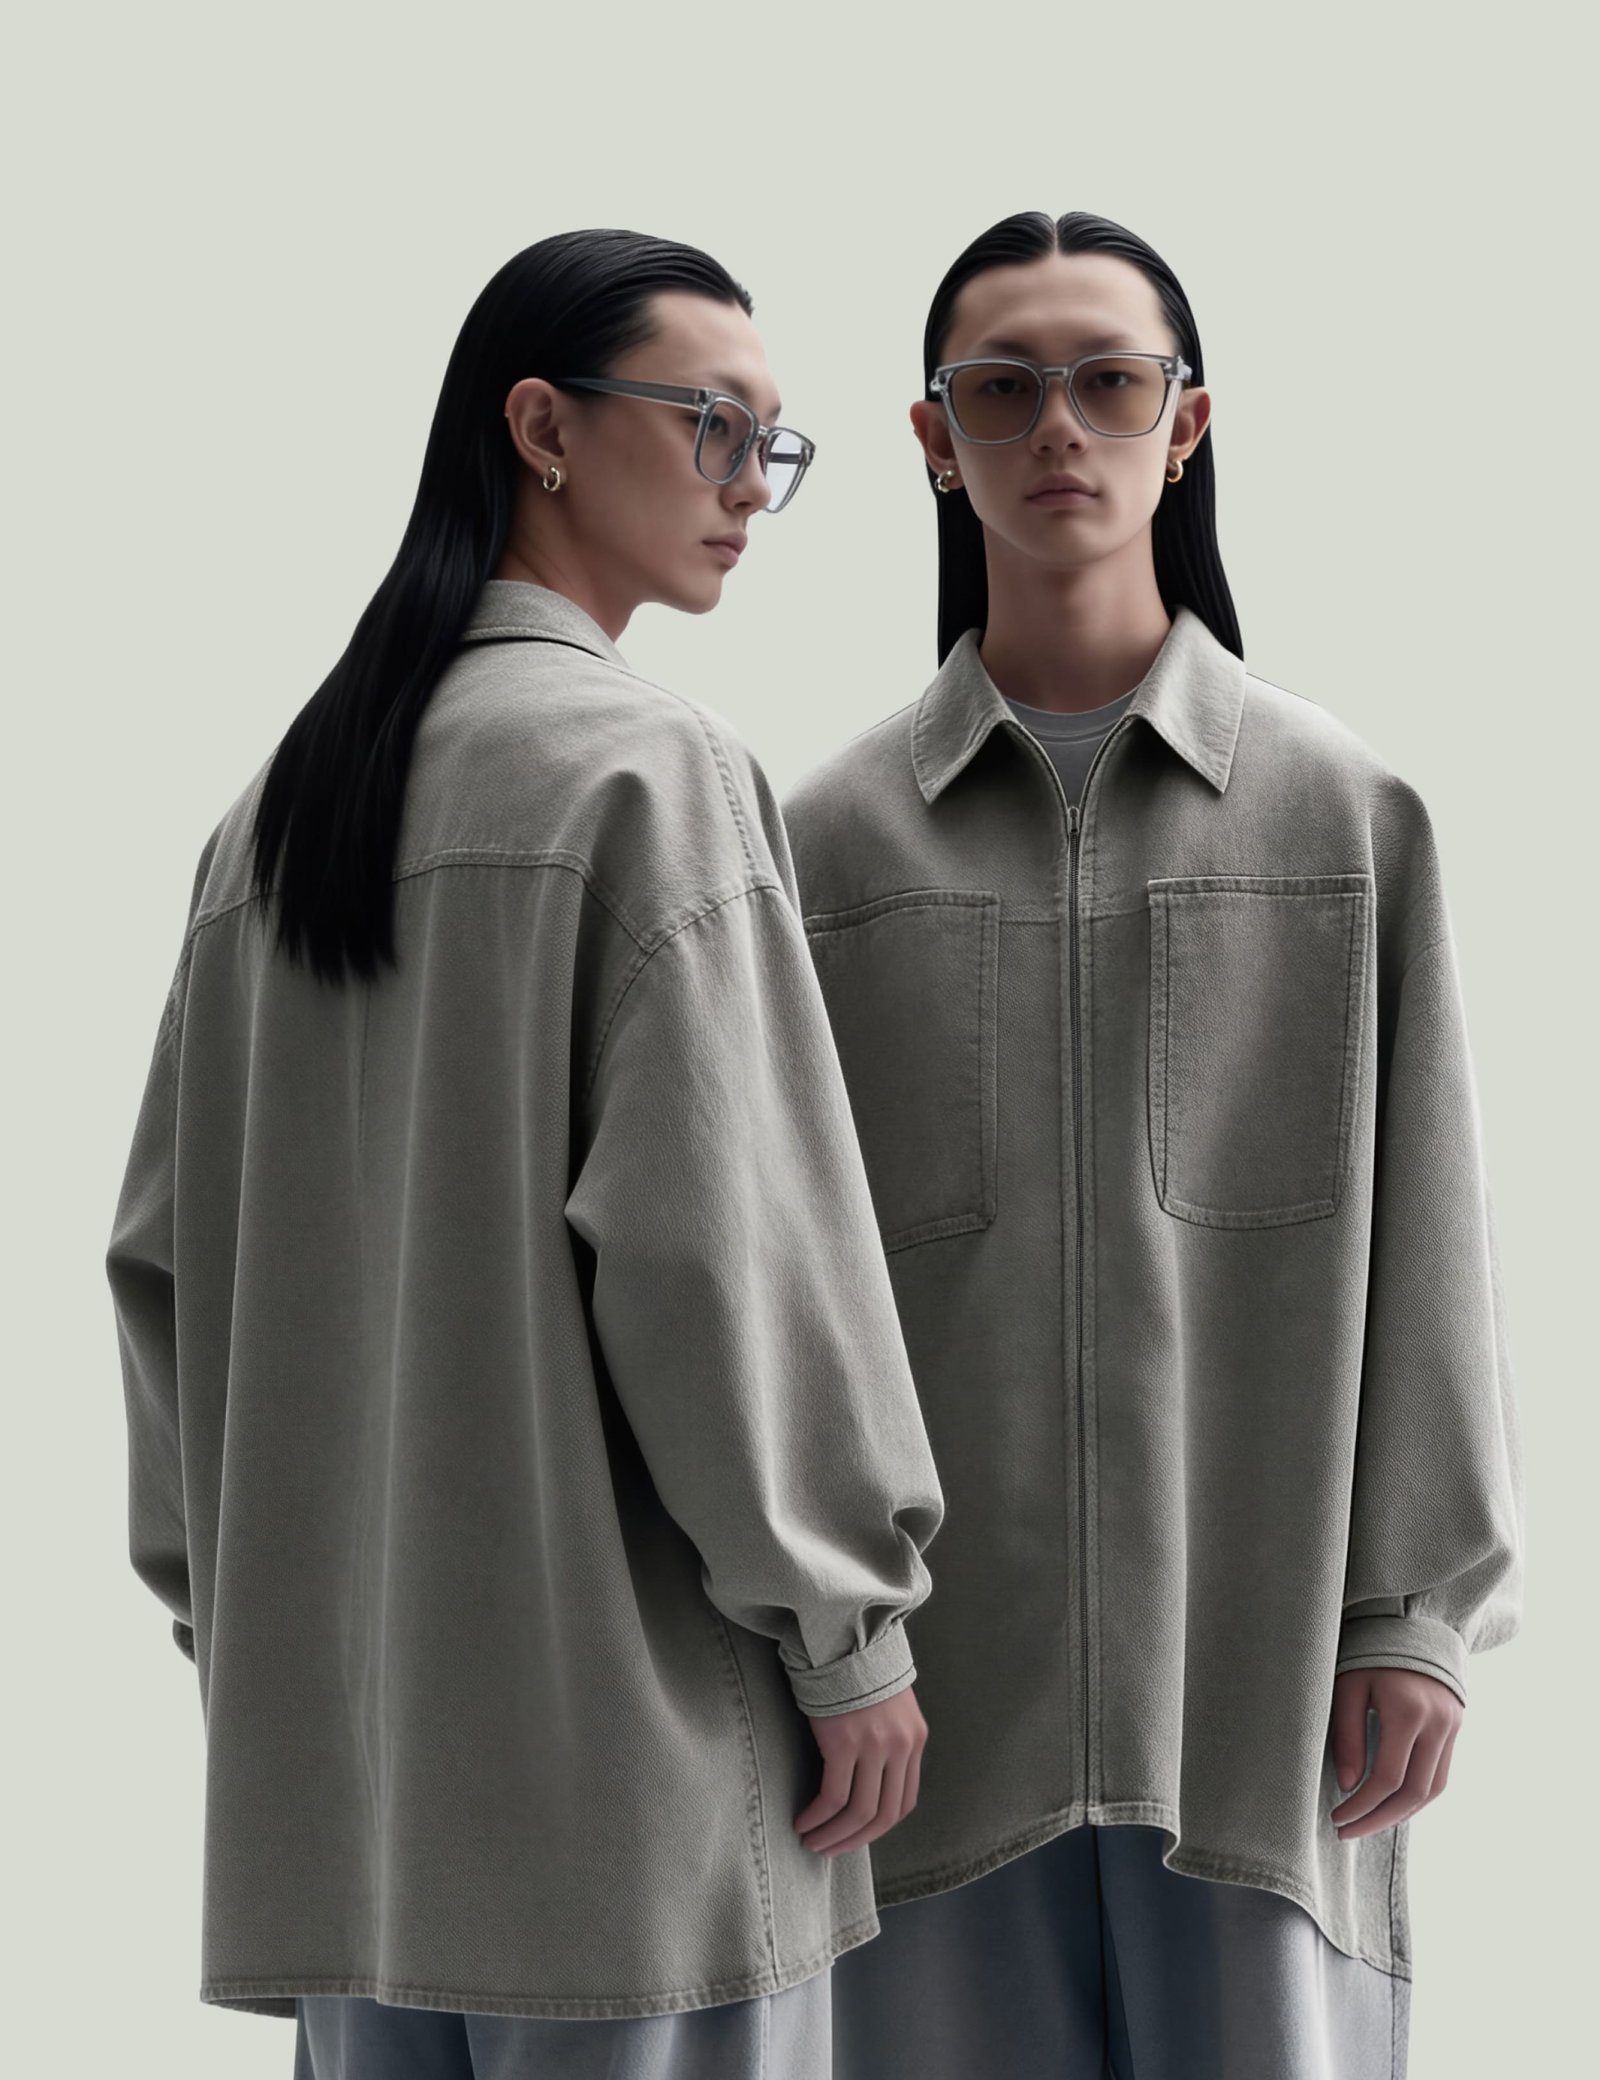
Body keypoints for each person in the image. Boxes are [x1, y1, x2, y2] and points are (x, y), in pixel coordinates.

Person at [103, 227, 945, 2080]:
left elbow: (162, 1276)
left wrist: (265, 1636)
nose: (751, 483)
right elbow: (727, 1260)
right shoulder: (648, 775)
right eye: (715, 424)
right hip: (629, 1807)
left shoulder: (272, 817)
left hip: (350, 1798)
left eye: (774, 445)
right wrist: (850, 1634)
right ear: (543, 428)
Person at [779, 209, 1525, 2080]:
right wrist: (822, 1638)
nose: (1059, 426)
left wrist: (1413, 1616)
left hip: (1262, 1719)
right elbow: (777, 1287)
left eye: (1109, 382)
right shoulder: (821, 847)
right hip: (932, 1733)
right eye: (1002, 387)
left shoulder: (1344, 815)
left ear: (1185, 427)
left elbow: (1432, 1233)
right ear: (933, 438)